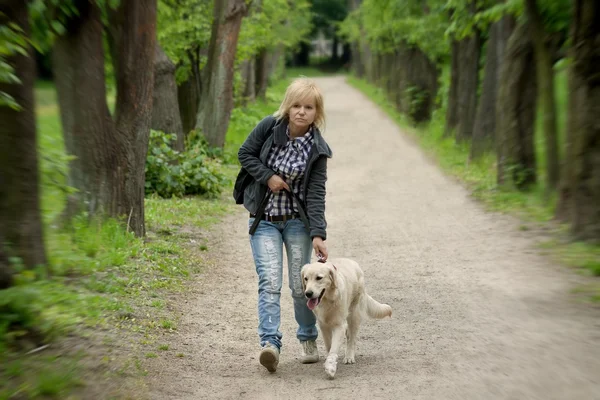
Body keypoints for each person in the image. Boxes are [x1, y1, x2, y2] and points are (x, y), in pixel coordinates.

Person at [237, 77, 333, 373]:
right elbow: (245, 154)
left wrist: (317, 233)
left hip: (297, 223)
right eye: (296, 105)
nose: (301, 111)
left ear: (317, 112)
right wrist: (267, 176)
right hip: (264, 219)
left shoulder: (317, 148)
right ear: (287, 107)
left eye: (308, 107)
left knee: (298, 285)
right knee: (269, 281)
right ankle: (270, 344)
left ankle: (307, 339)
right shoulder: (269, 127)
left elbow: (316, 192)